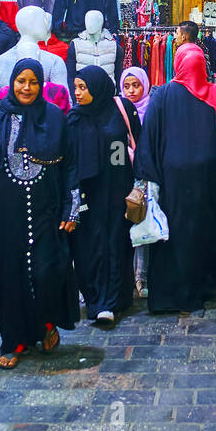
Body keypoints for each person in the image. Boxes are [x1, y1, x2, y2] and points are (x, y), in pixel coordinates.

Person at [0, 59, 80, 369]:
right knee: (10, 278)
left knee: (47, 272)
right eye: (21, 81)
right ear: (12, 82)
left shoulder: (54, 118)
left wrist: (72, 208)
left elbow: (70, 166)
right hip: (5, 216)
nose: (26, 87)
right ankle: (15, 340)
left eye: (33, 82)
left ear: (41, 85)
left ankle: (47, 323)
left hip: (46, 212)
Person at [134, 43, 216, 312]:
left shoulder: (162, 94)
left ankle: (171, 295)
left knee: (173, 234)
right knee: (205, 232)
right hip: (209, 180)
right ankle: (204, 286)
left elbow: (149, 136)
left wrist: (147, 174)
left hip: (173, 179)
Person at [68, 65, 140, 327]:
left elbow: (129, 147)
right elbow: (69, 161)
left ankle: (111, 301)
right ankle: (95, 299)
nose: (77, 93)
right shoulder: (74, 118)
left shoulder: (120, 110)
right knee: (89, 248)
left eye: (82, 87)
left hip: (116, 192)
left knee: (116, 245)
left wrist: (132, 184)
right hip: (87, 196)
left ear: (96, 88)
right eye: (75, 87)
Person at [119, 65, 151, 297]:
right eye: (126, 86)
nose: (131, 91)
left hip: (145, 176)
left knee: (143, 225)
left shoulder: (152, 109)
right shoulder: (117, 110)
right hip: (124, 176)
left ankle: (142, 276)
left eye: (136, 85)